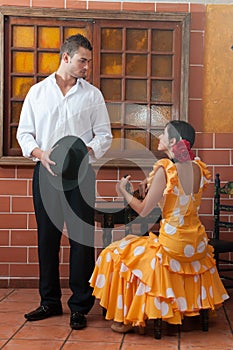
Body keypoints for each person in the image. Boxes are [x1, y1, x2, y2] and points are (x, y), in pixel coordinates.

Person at [90, 120, 229, 334]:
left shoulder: (165, 169)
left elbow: (144, 210)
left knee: (114, 253)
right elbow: (177, 191)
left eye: (163, 134)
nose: (159, 137)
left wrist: (124, 192)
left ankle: (127, 318)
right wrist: (152, 181)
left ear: (173, 141)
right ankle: (178, 310)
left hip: (172, 245)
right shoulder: (198, 167)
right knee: (136, 250)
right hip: (196, 245)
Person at [16, 34, 112, 330]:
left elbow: (104, 135)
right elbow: (24, 134)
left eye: (89, 61)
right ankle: (49, 302)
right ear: (66, 57)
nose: (87, 66)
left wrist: (86, 152)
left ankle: (80, 306)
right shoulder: (37, 93)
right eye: (83, 60)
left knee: (81, 238)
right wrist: (40, 153)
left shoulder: (92, 95)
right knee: (47, 237)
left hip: (80, 174)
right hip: (45, 171)